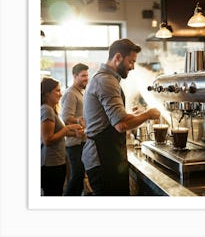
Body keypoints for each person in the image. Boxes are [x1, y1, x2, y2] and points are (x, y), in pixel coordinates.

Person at [82, 38, 160, 196]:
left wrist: (135, 115)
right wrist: (148, 114)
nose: (132, 67)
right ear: (117, 57)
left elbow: (111, 119)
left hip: (105, 157)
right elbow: (121, 124)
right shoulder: (106, 81)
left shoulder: (105, 79)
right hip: (103, 160)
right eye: (131, 62)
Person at [41, 77, 83, 196]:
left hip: (57, 161)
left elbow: (57, 133)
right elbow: (47, 140)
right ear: (47, 93)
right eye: (57, 91)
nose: (60, 94)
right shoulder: (46, 110)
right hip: (50, 163)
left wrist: (75, 133)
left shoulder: (52, 110)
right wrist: (67, 128)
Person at [61, 63, 89, 196]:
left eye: (87, 75)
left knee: (79, 178)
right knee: (77, 177)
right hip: (74, 143)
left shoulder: (79, 92)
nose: (86, 78)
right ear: (75, 76)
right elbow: (66, 118)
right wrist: (79, 120)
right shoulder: (71, 93)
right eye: (83, 76)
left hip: (81, 141)